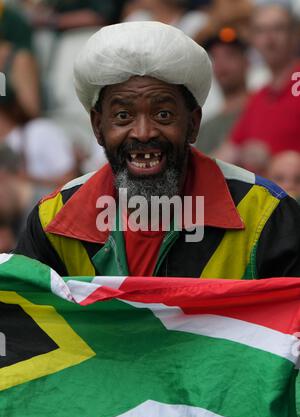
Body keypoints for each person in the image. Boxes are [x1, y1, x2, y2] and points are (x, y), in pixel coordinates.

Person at [14, 21, 300, 279]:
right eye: (123, 116)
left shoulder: (265, 214)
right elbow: (24, 327)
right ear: (98, 126)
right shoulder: (53, 221)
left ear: (193, 124)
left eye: (163, 115)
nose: (143, 133)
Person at [218, 4, 300, 166]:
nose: (269, 39)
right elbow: (229, 152)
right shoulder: (258, 97)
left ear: (295, 35)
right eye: (261, 31)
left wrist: (272, 158)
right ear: (253, 40)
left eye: (278, 29)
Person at [196, 27, 249, 155]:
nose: (221, 64)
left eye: (230, 55)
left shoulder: (261, 110)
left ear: (246, 62)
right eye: (215, 57)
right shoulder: (207, 127)